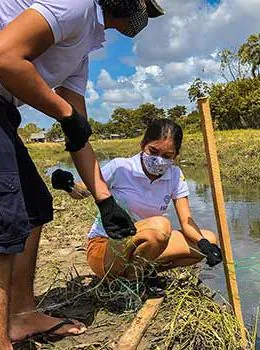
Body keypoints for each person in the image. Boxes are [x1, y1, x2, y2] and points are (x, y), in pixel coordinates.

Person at [0, 0, 165, 346]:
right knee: (5, 221)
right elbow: (5, 57)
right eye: (143, 6)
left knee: (34, 208)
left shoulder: (83, 50)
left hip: (5, 111)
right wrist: (64, 112)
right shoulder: (76, 5)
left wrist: (105, 201)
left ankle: (21, 315)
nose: (142, 16)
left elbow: (79, 133)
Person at [52, 120, 223, 284]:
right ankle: (134, 281)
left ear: (176, 156)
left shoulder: (175, 176)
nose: (159, 160)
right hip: (106, 248)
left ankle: (142, 271)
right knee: (160, 227)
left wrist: (204, 244)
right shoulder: (120, 167)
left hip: (145, 245)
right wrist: (68, 185)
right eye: (153, 151)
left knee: (209, 238)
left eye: (167, 156)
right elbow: (84, 191)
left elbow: (187, 221)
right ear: (143, 145)